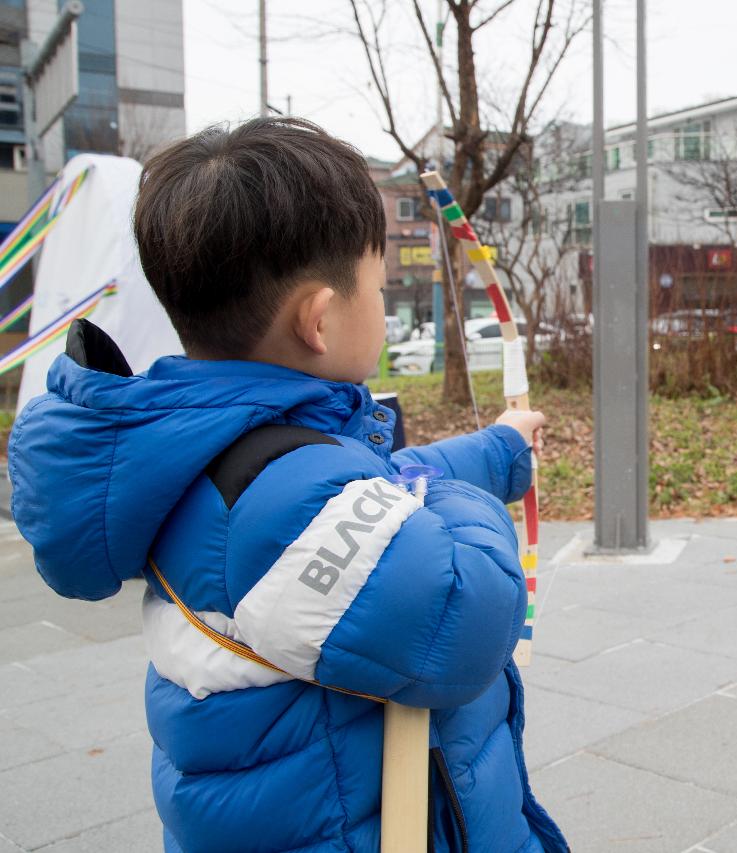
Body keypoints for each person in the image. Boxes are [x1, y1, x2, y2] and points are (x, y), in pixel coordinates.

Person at [8, 117, 567, 853]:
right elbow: (463, 612)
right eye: (376, 282)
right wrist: (454, 496)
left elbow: (375, 489)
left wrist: (496, 451)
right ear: (320, 319)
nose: (381, 292)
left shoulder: (238, 452)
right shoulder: (270, 491)